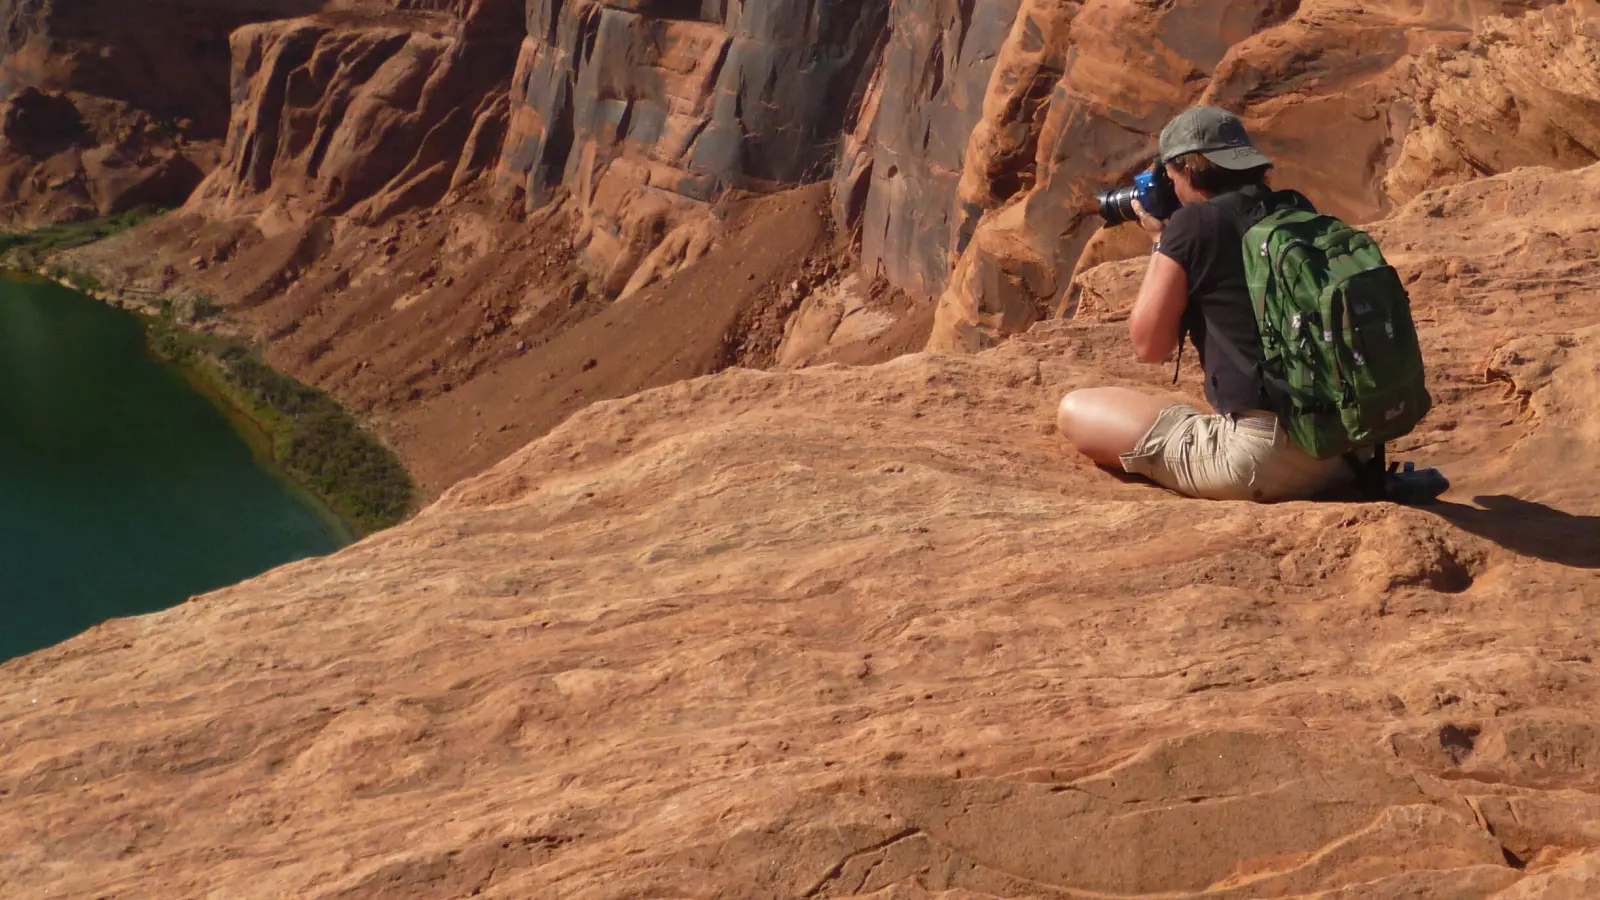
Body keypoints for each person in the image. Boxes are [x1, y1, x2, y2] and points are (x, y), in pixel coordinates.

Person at [1056, 106, 1359, 502]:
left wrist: (1163, 242)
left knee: (1075, 409)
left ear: (1187, 171)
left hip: (1264, 462)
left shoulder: (1195, 224)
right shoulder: (1293, 209)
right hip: (1347, 448)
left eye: (1170, 177)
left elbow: (1150, 345)